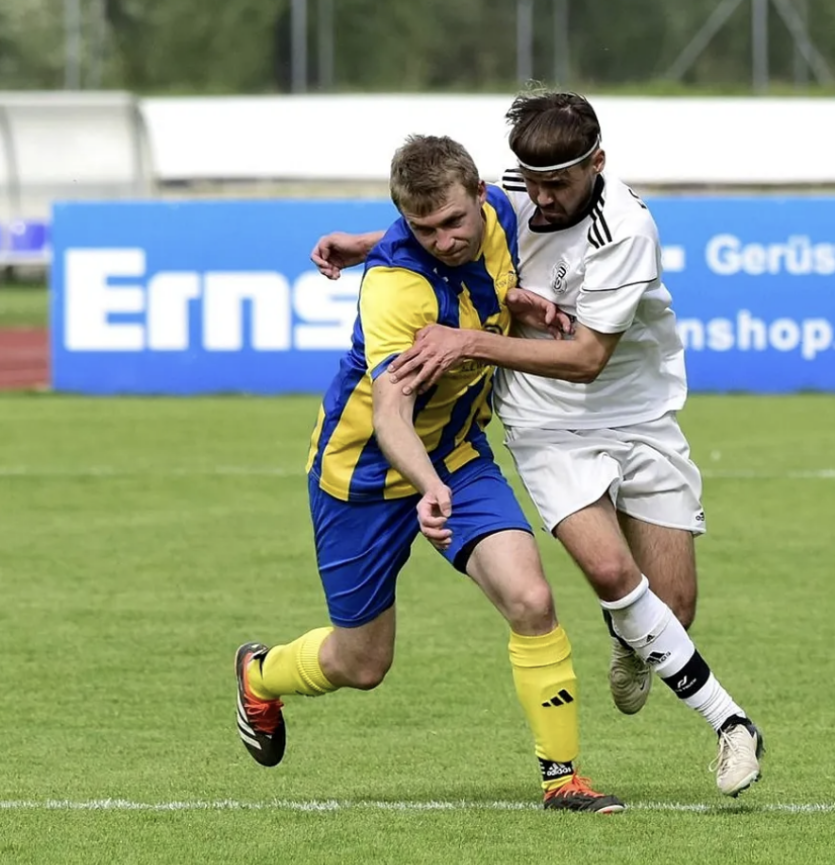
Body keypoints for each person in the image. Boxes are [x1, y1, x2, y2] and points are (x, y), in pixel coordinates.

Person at [310, 92, 764, 798]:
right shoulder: (505, 195)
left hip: (638, 413)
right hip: (542, 422)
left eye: (557, 183)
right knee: (607, 577)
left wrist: (472, 338)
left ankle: (634, 637)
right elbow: (452, 215)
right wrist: (368, 243)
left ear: (598, 165)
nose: (539, 198)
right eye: (529, 181)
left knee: (667, 610)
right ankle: (726, 724)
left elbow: (586, 358)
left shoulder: (628, 231)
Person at [235, 133, 624, 813]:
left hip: (457, 453)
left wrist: (364, 241)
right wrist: (428, 485)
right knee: (364, 664)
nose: (444, 239)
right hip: (363, 475)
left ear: (480, 195)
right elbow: (391, 413)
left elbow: (447, 238)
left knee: (531, 599)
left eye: (453, 221)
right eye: (424, 229)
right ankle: (260, 674)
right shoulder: (394, 290)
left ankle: (562, 780)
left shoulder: (504, 211)